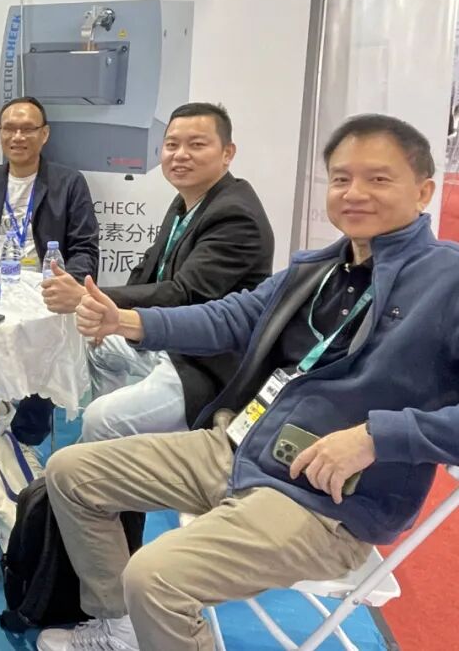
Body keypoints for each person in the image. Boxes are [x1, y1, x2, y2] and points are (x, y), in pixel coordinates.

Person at [38, 114, 458, 651]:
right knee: (71, 472)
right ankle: (120, 628)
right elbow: (232, 316)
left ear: (423, 191)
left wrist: (376, 437)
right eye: (341, 178)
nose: (355, 193)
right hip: (243, 447)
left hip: (327, 502)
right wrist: (126, 320)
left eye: (378, 179)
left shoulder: (447, 281)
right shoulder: (320, 268)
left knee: (155, 577)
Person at [41, 103, 274, 443]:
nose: (180, 155)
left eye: (196, 145)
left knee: (102, 418)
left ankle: (93, 463)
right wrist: (107, 313)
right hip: (168, 340)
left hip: (207, 361)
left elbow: (184, 293)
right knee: (91, 344)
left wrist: (88, 297)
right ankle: (119, 453)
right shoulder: (188, 201)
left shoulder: (235, 215)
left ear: (227, 153)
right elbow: (147, 270)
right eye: (171, 145)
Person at [0, 96, 99, 455]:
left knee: (46, 342)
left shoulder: (69, 183)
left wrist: (68, 285)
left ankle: (25, 439)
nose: (17, 136)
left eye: (27, 129)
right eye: (9, 128)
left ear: (45, 134)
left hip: (44, 290)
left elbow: (86, 248)